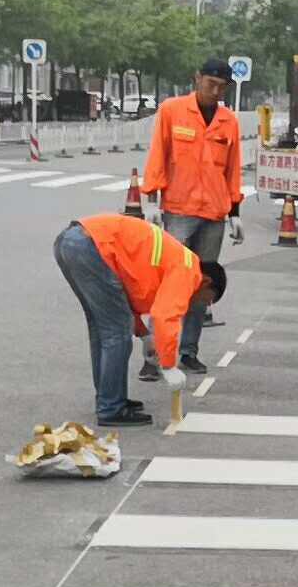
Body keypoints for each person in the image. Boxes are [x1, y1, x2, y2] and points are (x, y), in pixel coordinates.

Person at [54, 213, 227, 428]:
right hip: (91, 246)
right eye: (207, 300)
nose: (202, 305)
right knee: (116, 334)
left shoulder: (173, 262)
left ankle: (110, 398)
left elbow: (124, 301)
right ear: (207, 281)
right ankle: (111, 408)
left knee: (103, 330)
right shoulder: (188, 270)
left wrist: (144, 334)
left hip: (74, 242)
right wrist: (169, 365)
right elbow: (165, 316)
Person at [139, 57, 244, 381]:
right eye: (211, 84)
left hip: (213, 214)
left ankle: (188, 352)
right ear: (197, 78)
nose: (215, 92)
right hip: (178, 211)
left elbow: (233, 168)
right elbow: (159, 154)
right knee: (168, 286)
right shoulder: (172, 111)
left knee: (201, 286)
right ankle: (154, 357)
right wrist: (153, 199)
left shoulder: (229, 121)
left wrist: (235, 211)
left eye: (221, 87)